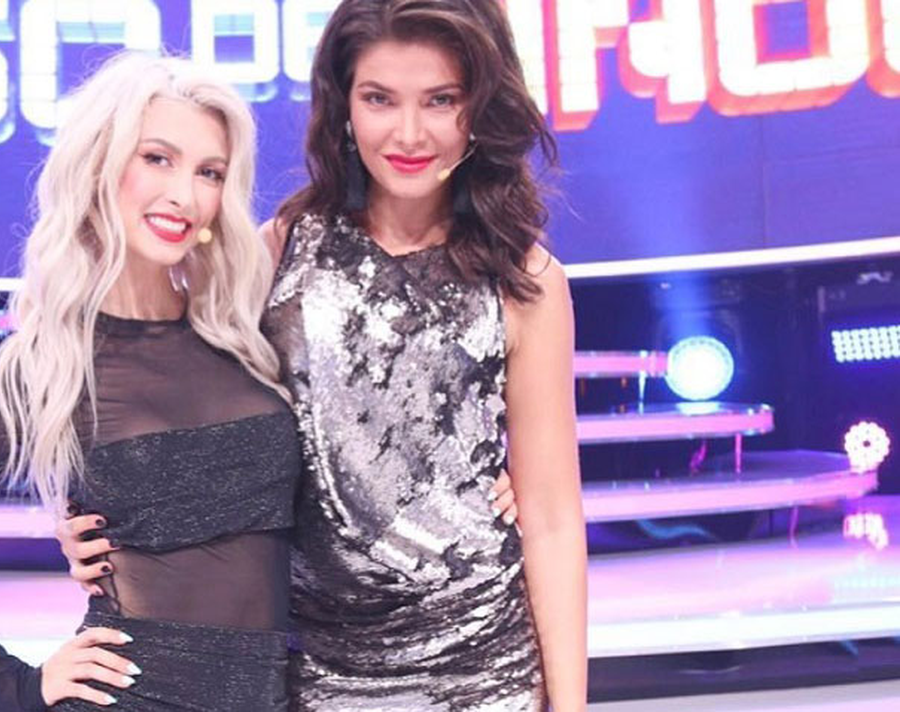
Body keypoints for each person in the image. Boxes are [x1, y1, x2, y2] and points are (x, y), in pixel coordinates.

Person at [63, 1, 587, 710]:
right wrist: (101, 521)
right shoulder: (280, 250)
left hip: (482, 666)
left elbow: (552, 518)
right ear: (343, 106)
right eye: (379, 99)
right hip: (315, 670)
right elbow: (182, 416)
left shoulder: (525, 281)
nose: (409, 133)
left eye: (440, 100)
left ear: (480, 108)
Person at [0, 53, 302, 711]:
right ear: (99, 166)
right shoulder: (44, 367)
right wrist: (16, 683)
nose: (185, 194)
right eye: (158, 158)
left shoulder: (244, 334)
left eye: (210, 172)